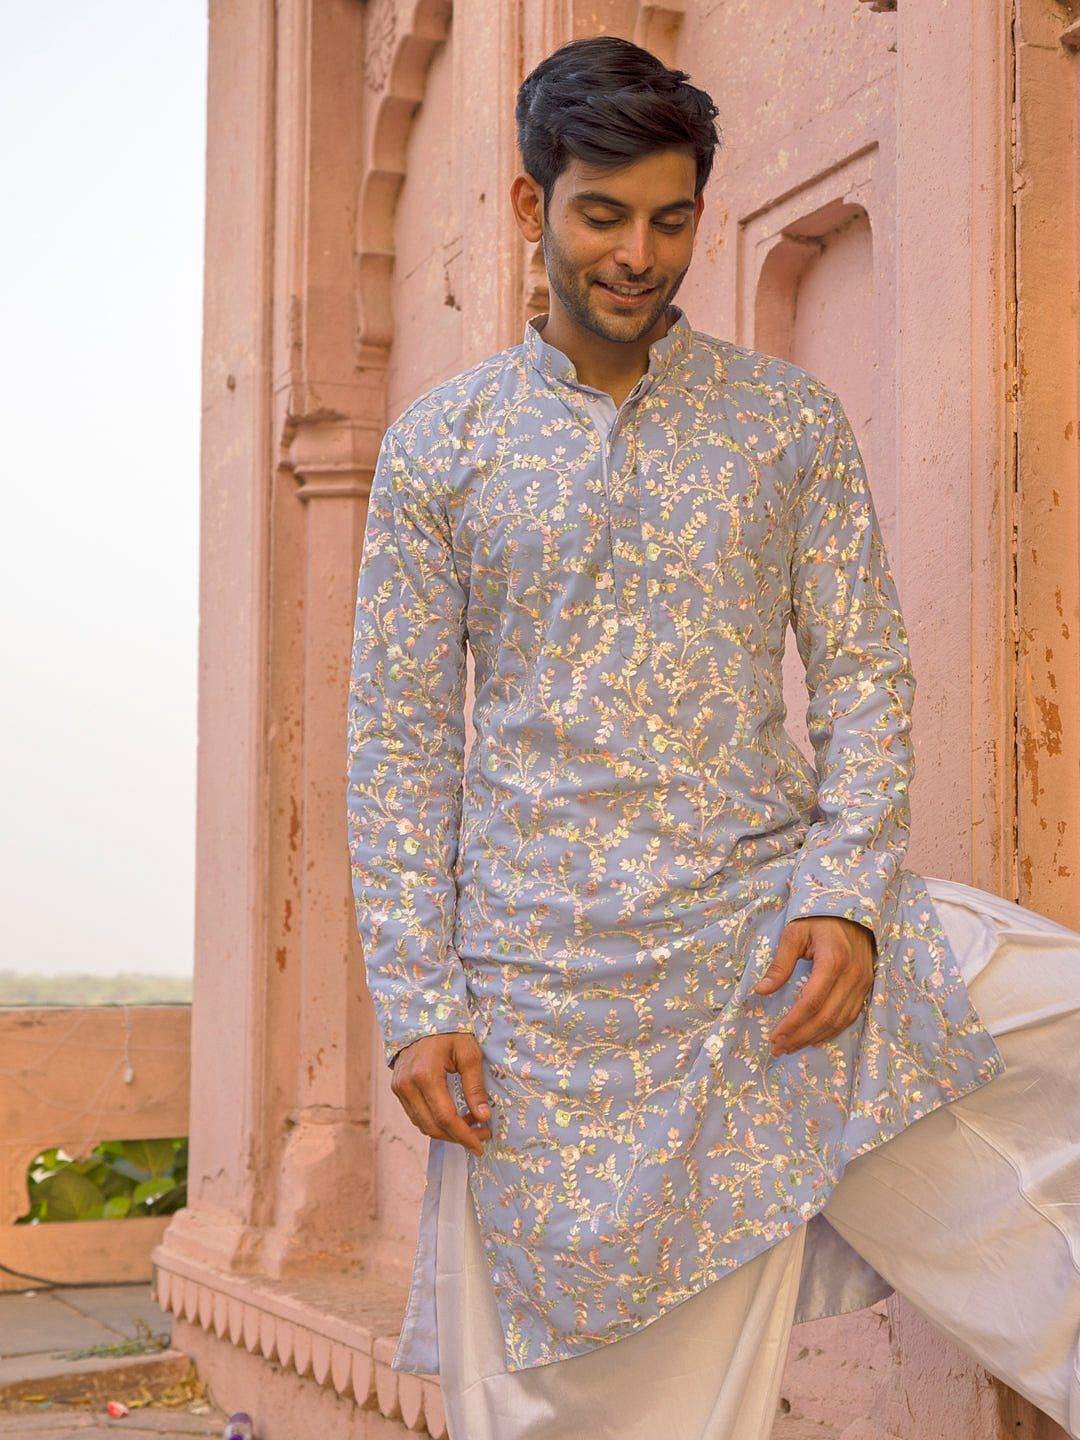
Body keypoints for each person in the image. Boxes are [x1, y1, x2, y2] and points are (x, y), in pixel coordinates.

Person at [345, 34, 1080, 1440]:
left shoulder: (782, 425)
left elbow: (866, 675)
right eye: (602, 214)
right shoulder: (445, 449)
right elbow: (395, 746)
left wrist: (847, 903)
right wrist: (420, 998)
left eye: (671, 218)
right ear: (529, 208)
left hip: (774, 969)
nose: (639, 253)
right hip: (546, 1016)